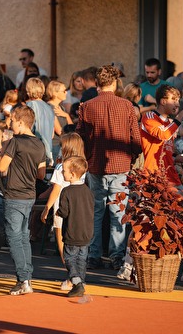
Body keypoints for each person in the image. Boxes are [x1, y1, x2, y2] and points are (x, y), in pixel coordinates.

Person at [76, 65, 142, 273]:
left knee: (96, 213)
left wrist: (88, 156)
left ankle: (94, 256)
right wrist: (131, 157)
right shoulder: (127, 105)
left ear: (97, 83)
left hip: (96, 164)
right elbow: (136, 140)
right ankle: (116, 256)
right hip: (120, 165)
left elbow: (80, 137)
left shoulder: (87, 106)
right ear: (114, 83)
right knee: (118, 213)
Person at [0, 105, 47, 295]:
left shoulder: (15, 142)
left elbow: (2, 166)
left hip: (14, 193)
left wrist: (4, 149)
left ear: (20, 122)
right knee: (24, 236)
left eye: (11, 120)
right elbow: (41, 174)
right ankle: (27, 277)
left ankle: (23, 279)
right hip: (29, 194)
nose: (10, 123)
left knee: (14, 237)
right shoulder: (39, 144)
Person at [40, 132, 86, 291]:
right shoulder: (83, 167)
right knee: (78, 247)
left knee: (63, 245)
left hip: (61, 208)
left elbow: (55, 190)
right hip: (78, 209)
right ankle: (77, 276)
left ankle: (72, 277)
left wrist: (46, 208)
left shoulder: (61, 167)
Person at [56, 155, 94, 298]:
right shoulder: (88, 191)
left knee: (70, 258)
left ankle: (76, 282)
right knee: (82, 259)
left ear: (72, 174)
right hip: (86, 232)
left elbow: (64, 212)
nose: (62, 172)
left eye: (64, 171)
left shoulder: (67, 191)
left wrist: (58, 212)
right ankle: (82, 282)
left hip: (72, 231)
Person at [140, 84, 182, 186]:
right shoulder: (150, 116)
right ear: (163, 101)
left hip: (170, 175)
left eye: (178, 101)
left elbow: (168, 152)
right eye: (174, 100)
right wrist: (180, 117)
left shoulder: (170, 123)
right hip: (153, 176)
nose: (177, 104)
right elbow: (163, 134)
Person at [25, 77, 55, 165]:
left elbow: (28, 128)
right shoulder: (49, 107)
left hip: (34, 147)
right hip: (48, 149)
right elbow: (52, 134)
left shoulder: (31, 105)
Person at [46, 80, 73, 162]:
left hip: (63, 145)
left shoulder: (61, 108)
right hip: (55, 146)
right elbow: (59, 130)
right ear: (55, 93)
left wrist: (66, 115)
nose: (66, 93)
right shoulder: (49, 108)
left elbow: (71, 128)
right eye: (64, 91)